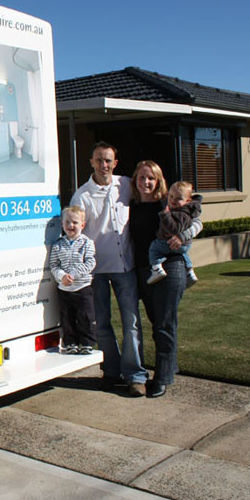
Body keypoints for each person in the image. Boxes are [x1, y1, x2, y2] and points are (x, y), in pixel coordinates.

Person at [71, 142, 147, 397]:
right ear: (91, 162)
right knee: (102, 323)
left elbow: (152, 190)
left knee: (131, 322)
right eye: (99, 160)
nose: (104, 165)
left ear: (115, 163)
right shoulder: (81, 196)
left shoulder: (125, 184)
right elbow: (74, 232)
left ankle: (135, 376)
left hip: (125, 265)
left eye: (108, 161)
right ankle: (111, 372)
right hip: (97, 269)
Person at [129, 160, 202, 398]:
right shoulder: (131, 206)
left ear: (159, 181)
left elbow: (197, 220)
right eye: (142, 177)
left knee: (164, 323)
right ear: (135, 180)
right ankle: (167, 367)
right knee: (155, 321)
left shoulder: (168, 204)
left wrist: (184, 235)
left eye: (151, 178)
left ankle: (162, 377)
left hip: (170, 268)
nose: (146, 182)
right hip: (143, 269)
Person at [49, 205, 97, 355]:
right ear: (62, 224)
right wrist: (62, 276)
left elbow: (90, 262)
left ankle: (86, 343)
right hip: (64, 288)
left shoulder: (86, 243)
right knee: (67, 317)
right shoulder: (58, 244)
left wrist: (74, 275)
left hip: (82, 287)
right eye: (67, 222)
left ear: (82, 225)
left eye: (75, 222)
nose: (71, 226)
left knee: (85, 316)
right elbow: (54, 264)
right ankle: (70, 343)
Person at [147, 181, 201, 287]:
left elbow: (173, 228)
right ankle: (190, 271)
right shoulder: (188, 210)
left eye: (179, 198)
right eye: (171, 196)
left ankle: (157, 268)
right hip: (185, 246)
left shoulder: (181, 213)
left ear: (188, 200)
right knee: (183, 253)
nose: (173, 200)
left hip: (171, 242)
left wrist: (165, 215)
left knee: (154, 248)